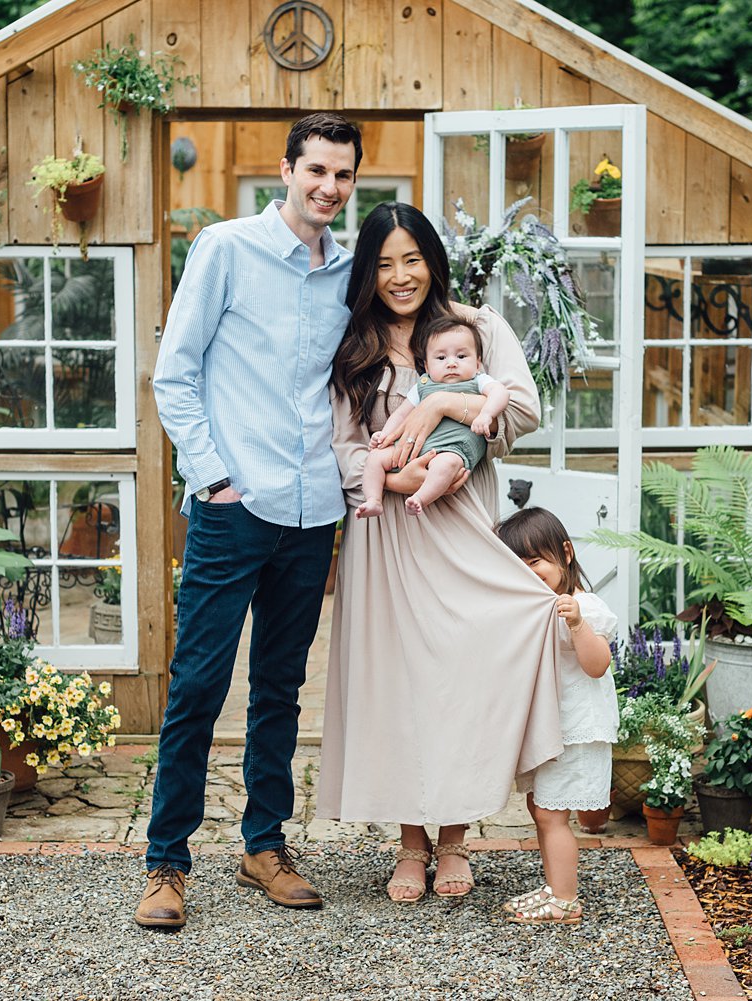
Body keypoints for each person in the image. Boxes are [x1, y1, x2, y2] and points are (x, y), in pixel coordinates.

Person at [138, 113, 363, 930]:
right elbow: (176, 375)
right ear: (286, 169)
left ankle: (263, 843)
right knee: (198, 683)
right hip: (234, 508)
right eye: (317, 171)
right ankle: (167, 861)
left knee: (280, 686)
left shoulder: (350, 271)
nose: (328, 189)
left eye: (342, 175)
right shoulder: (226, 249)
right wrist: (216, 478)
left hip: (312, 513)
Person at [318, 201, 565, 902]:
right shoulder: (355, 344)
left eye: (413, 259)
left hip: (458, 523)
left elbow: (521, 409)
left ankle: (455, 838)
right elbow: (340, 444)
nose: (401, 276)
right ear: (370, 269)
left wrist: (439, 408)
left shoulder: (476, 325)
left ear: (434, 259)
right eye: (386, 263)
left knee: (462, 671)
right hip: (384, 533)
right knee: (397, 681)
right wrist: (393, 477)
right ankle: (408, 842)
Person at [496, 507, 616, 925]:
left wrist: (579, 624)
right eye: (518, 567)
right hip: (551, 728)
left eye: (536, 563)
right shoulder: (536, 605)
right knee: (540, 807)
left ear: (565, 553)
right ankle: (553, 887)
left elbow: (597, 665)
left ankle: (565, 900)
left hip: (576, 729)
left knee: (552, 813)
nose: (529, 574)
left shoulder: (585, 606)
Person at [354, 312, 510, 518]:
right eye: (441, 357)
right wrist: (385, 436)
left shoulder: (478, 381)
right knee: (374, 458)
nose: (452, 363)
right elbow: (401, 415)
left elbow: (501, 393)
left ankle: (420, 498)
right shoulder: (423, 385)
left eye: (461, 356)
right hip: (412, 449)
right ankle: (374, 499)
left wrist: (486, 415)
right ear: (427, 366)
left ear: (478, 363)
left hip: (454, 448)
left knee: (447, 465)